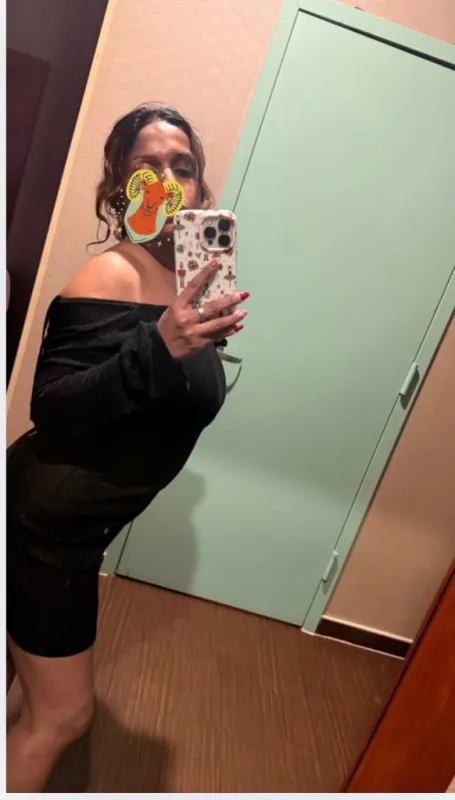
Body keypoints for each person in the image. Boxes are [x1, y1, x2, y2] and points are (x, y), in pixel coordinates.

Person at [6, 103, 249, 792]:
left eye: (184, 167)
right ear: (121, 183)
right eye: (149, 164)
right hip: (46, 528)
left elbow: (151, 398)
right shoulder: (109, 275)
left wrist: (189, 344)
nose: (169, 179)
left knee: (26, 680)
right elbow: (53, 408)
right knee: (63, 717)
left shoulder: (186, 283)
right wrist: (160, 347)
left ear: (199, 187)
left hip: (81, 527)